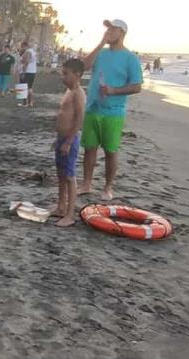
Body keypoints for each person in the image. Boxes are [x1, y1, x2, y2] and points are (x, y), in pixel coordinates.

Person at [79, 19, 142, 201]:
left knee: (110, 151)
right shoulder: (102, 53)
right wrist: (100, 43)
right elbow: (84, 66)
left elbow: (137, 86)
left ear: (121, 32)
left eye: (112, 29)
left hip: (114, 111)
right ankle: (86, 183)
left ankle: (107, 187)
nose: (108, 32)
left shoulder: (130, 58)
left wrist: (114, 90)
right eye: (108, 29)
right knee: (89, 148)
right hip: (93, 107)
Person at [51, 59, 86, 227]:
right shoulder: (69, 91)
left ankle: (70, 215)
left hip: (69, 140)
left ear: (77, 74)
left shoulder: (78, 93)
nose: (62, 77)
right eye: (62, 73)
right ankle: (61, 206)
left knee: (70, 176)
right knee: (61, 174)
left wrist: (69, 141)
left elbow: (79, 120)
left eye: (66, 74)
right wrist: (58, 140)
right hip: (61, 138)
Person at [19, 41, 38, 107]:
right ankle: (30, 103)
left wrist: (23, 72)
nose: (21, 48)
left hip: (27, 72)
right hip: (32, 71)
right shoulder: (32, 51)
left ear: (25, 46)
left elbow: (26, 63)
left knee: (23, 87)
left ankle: (25, 103)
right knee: (29, 87)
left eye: (22, 47)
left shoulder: (28, 52)